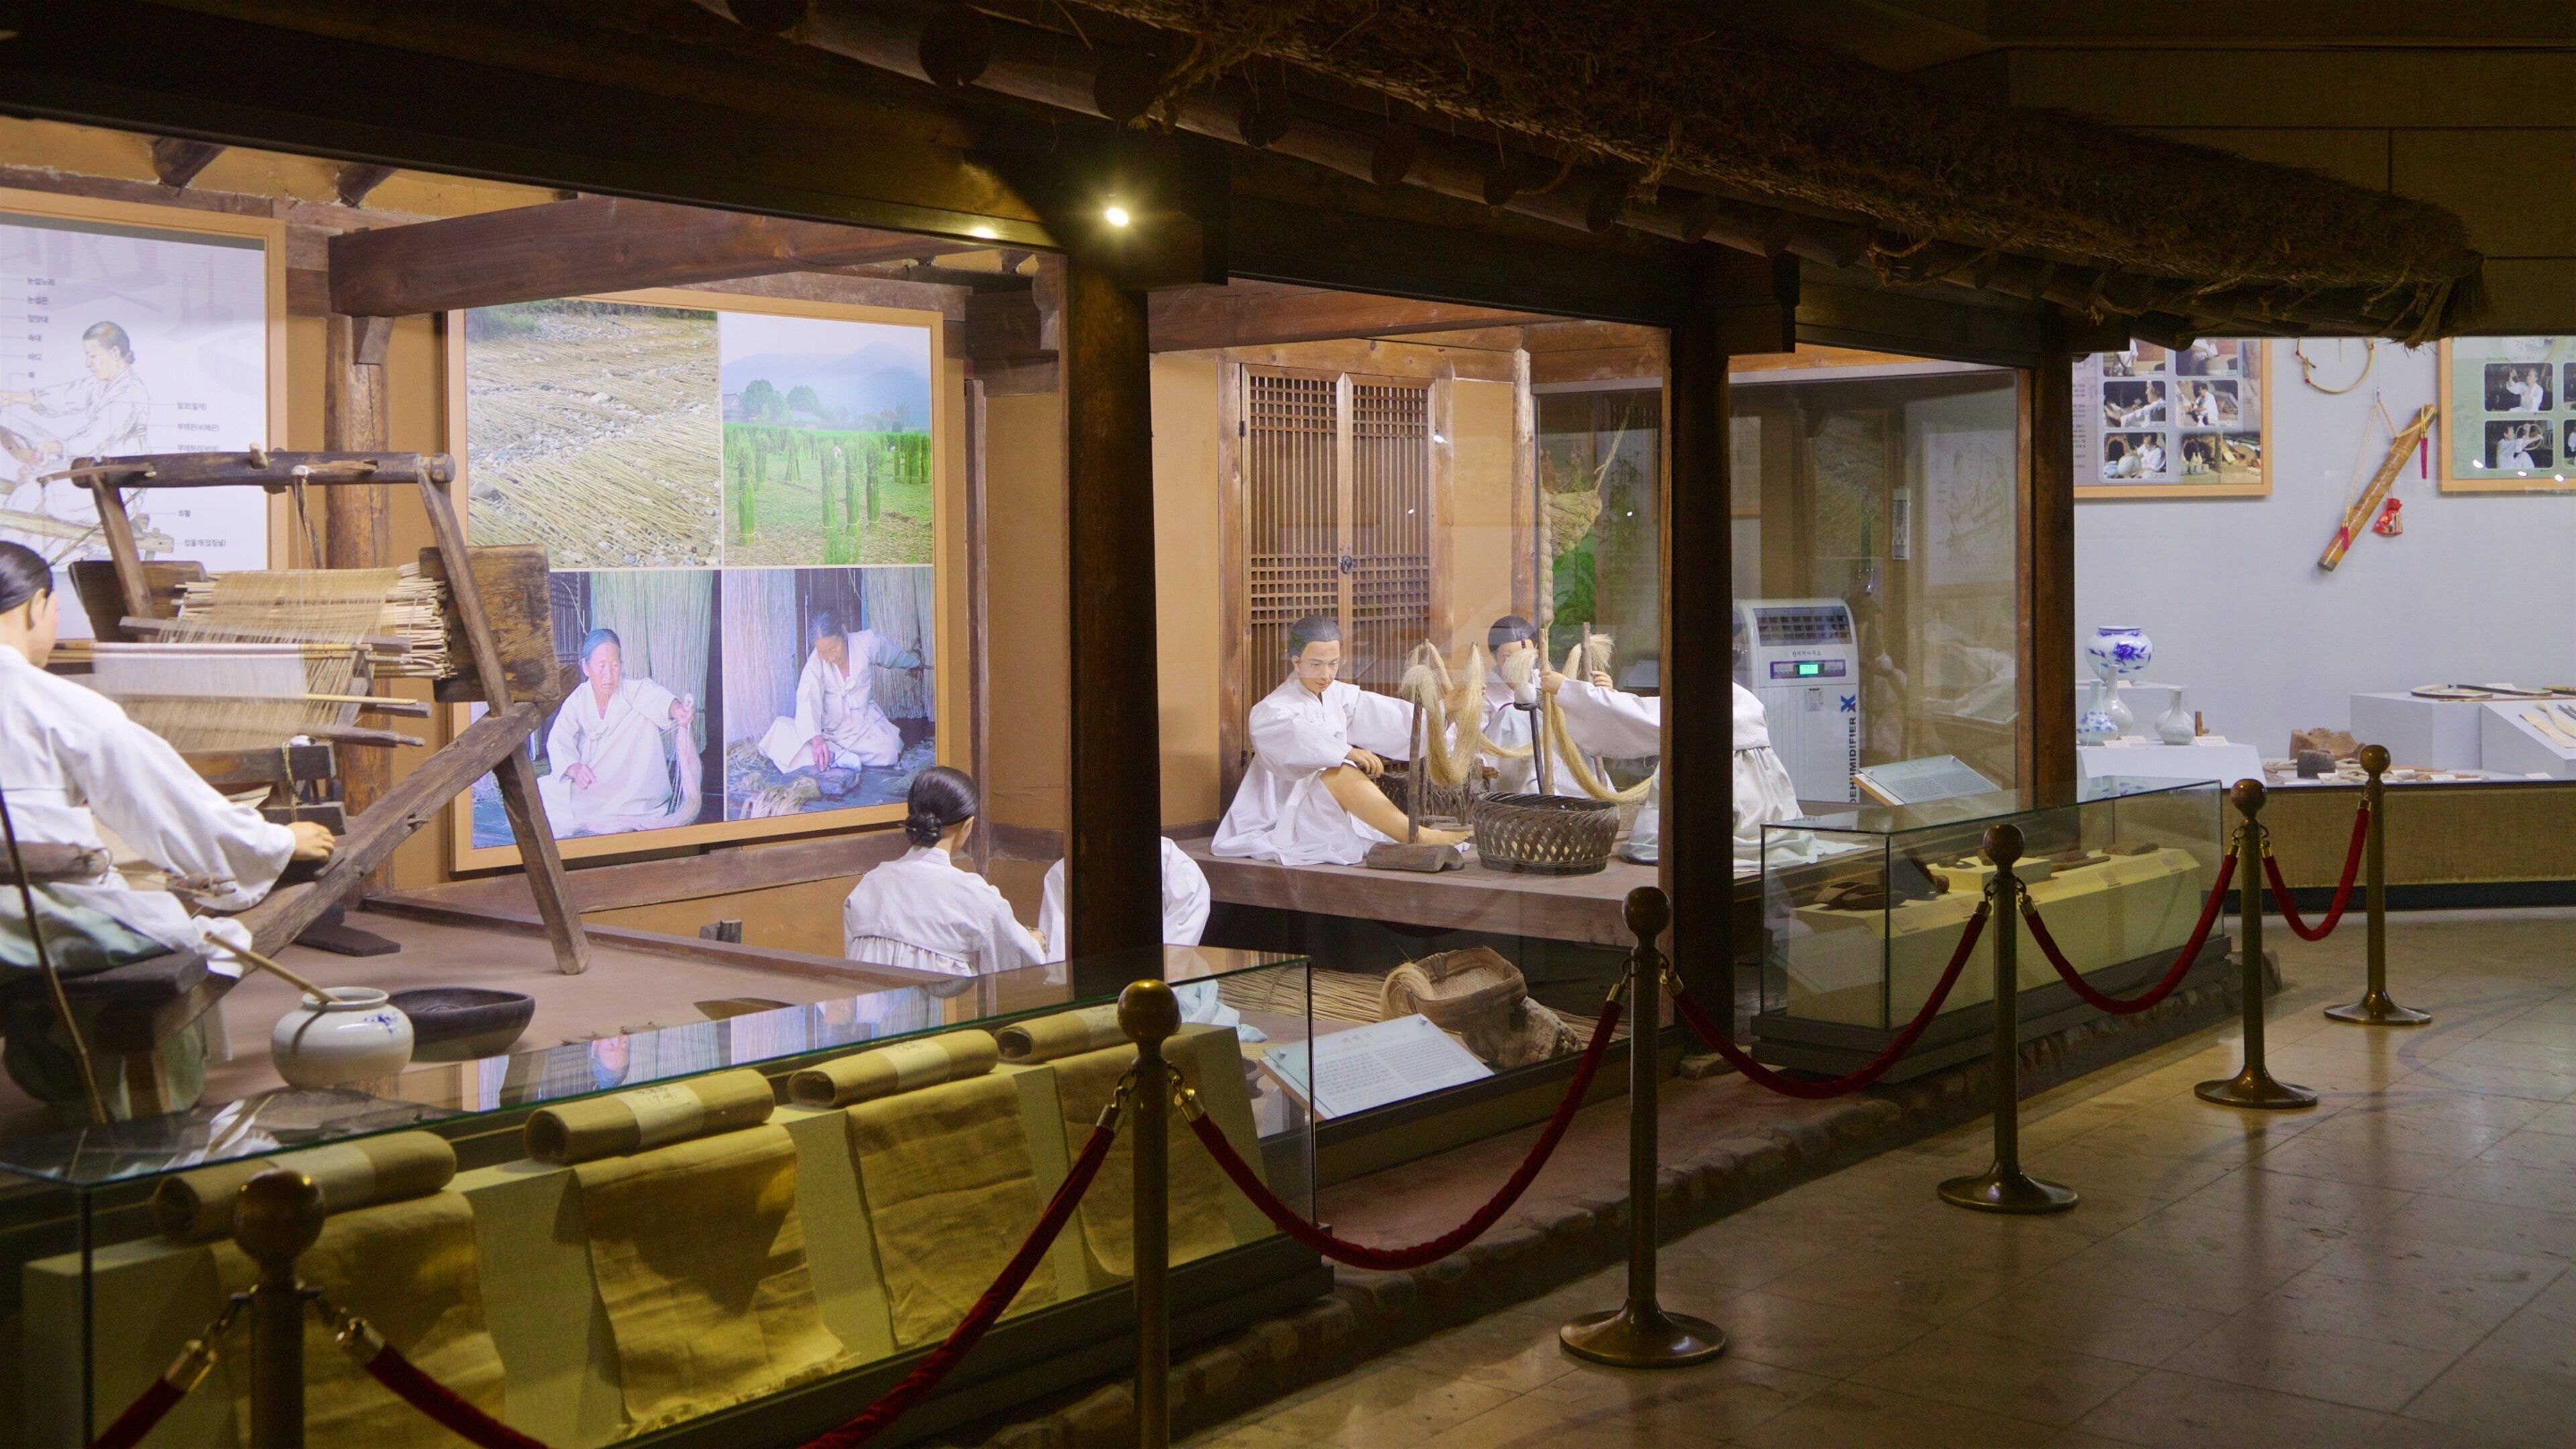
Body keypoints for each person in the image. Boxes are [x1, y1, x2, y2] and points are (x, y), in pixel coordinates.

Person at [0, 541, 333, 1111]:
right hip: (30, 921)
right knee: (203, 939)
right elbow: (176, 813)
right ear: (37, 607)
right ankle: (138, 1110)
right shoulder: (63, 706)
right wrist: (279, 841)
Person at [1542, 614, 1803, 873]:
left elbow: (1647, 717)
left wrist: (1567, 689)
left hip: (1725, 797)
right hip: (1764, 801)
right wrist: (1606, 695)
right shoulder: (1736, 696)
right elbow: (1647, 714)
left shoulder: (1708, 698)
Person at [1212, 615, 1467, 865]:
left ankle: (1413, 833)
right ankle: (1420, 836)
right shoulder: (1273, 710)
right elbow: (1297, 737)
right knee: (1342, 770)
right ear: (1296, 662)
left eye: (1333, 664)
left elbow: (1387, 717)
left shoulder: (1339, 695)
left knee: (1342, 770)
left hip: (1327, 803)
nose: (1326, 674)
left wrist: (1441, 710)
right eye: (1315, 664)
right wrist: (1345, 752)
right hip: (1284, 808)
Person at [1034, 838, 1254, 1036]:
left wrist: (1151, 984)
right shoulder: (1063, 875)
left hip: (1170, 980)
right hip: (1096, 986)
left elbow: (1182, 935)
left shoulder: (1171, 862)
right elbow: (1061, 956)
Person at [841, 766, 1042, 979]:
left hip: (869, 1012)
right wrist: (1037, 941)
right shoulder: (975, 897)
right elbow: (1021, 964)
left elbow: (853, 964)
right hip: (944, 1011)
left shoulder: (869, 885)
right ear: (968, 826)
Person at [536, 628, 699, 835]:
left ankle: (631, 803)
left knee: (643, 713)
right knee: (544, 793)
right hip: (594, 776)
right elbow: (559, 738)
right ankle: (601, 803)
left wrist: (678, 710)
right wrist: (575, 769)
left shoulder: (630, 690)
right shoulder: (578, 699)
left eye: (615, 666)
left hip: (628, 780)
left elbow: (653, 695)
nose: (609, 675)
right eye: (601, 666)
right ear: (586, 667)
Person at [758, 610, 920, 775]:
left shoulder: (866, 643)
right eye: (822, 652)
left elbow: (891, 654)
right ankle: (836, 757)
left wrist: (914, 664)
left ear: (844, 632)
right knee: (783, 732)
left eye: (833, 649)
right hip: (829, 731)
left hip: (863, 725)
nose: (830, 657)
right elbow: (807, 699)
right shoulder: (815, 663)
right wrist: (817, 740)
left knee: (890, 750)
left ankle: (835, 758)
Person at [1474, 614, 1586, 796]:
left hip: (1551, 762)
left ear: (1535, 650)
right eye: (1507, 657)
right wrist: (1480, 765)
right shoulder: (1485, 695)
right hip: (1509, 769)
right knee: (1512, 714)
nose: (1517, 663)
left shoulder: (1545, 680)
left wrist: (1605, 693)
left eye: (1523, 656)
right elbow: (1472, 741)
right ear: (1495, 657)